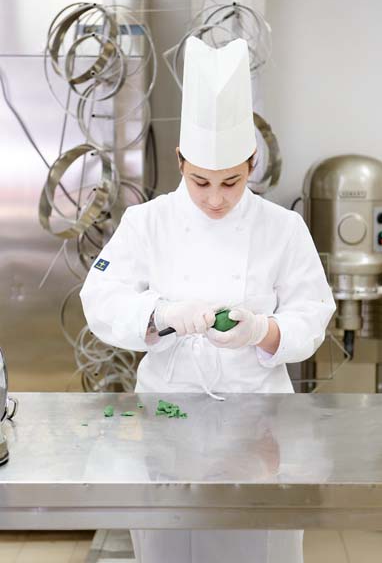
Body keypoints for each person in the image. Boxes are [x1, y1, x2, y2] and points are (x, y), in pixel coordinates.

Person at [80, 36, 336, 563]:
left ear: (252, 162)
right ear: (179, 160)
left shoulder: (282, 228)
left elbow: (313, 314)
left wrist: (261, 330)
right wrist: (162, 316)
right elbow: (99, 298)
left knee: (259, 545)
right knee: (170, 544)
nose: (216, 198)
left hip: (260, 424)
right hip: (167, 418)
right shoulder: (146, 222)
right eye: (200, 181)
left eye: (232, 181)